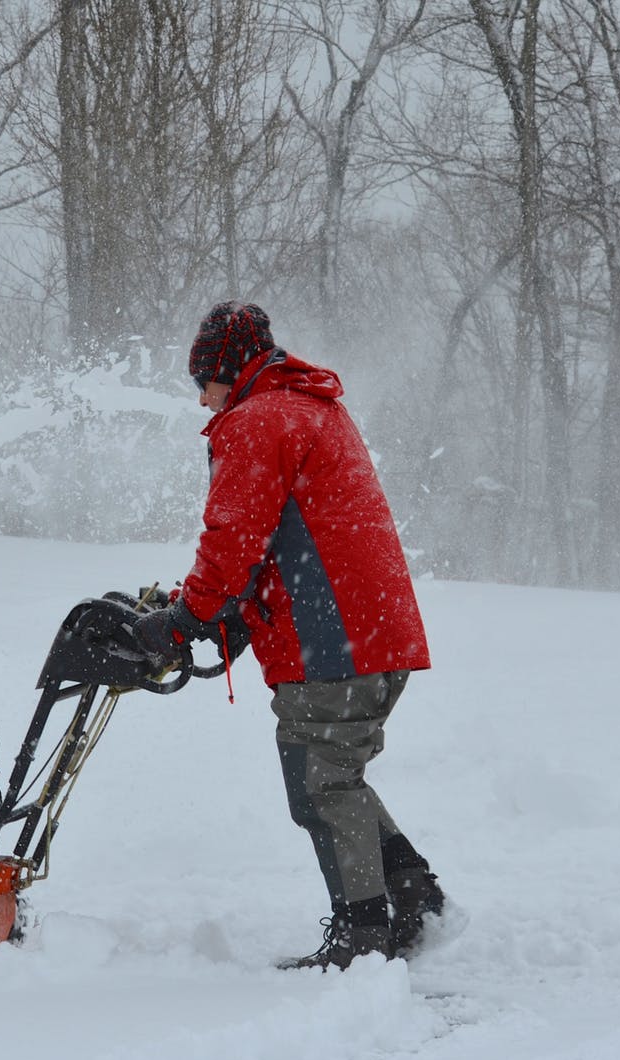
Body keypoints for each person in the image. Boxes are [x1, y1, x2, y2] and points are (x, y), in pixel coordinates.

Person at [134, 301, 445, 971]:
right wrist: (216, 612)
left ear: (226, 371)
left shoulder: (256, 420)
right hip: (373, 629)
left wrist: (187, 618)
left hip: (334, 639)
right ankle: (414, 893)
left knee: (320, 783)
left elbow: (235, 540)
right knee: (337, 774)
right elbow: (287, 536)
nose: (201, 399)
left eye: (203, 382)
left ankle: (363, 936)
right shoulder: (313, 408)